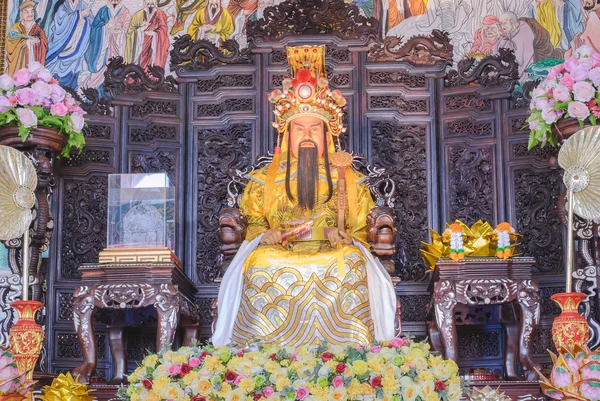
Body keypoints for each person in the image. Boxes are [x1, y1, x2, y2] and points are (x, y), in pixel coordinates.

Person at [212, 45, 396, 348]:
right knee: (259, 262)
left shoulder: (348, 179)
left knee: (352, 261)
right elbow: (254, 222)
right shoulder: (263, 180)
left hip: (331, 253)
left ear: (328, 135)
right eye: (299, 129)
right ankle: (262, 352)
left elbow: (363, 229)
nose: (307, 135)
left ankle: (347, 350)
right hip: (282, 253)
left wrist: (348, 238)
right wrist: (265, 235)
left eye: (315, 129)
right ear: (287, 135)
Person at [84, 0, 131, 90]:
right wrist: (106, 27)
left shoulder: (124, 11)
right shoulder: (103, 10)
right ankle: (93, 88)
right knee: (103, 64)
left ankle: (114, 88)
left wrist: (120, 31)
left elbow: (127, 27)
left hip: (118, 44)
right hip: (104, 45)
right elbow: (95, 26)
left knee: (117, 65)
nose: (114, 1)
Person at [45, 0, 92, 88]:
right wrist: (79, 15)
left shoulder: (83, 5)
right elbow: (60, 23)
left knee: (74, 69)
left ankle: (71, 91)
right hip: (63, 43)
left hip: (78, 44)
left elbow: (91, 21)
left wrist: (85, 21)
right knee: (55, 69)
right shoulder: (63, 7)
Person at [6, 0, 48, 76]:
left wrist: (38, 42)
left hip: (33, 60)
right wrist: (27, 42)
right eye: (26, 12)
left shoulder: (38, 29)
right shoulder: (16, 27)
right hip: (19, 64)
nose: (30, 14)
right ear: (21, 14)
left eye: (32, 11)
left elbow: (43, 41)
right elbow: (11, 42)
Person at [125, 0, 170, 70]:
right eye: (148, 3)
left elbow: (163, 29)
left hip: (155, 44)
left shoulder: (160, 14)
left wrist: (155, 33)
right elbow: (130, 32)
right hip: (141, 45)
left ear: (156, 2)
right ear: (144, 2)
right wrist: (141, 29)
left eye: (152, 3)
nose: (150, 5)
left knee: (152, 64)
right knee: (141, 62)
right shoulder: (138, 15)